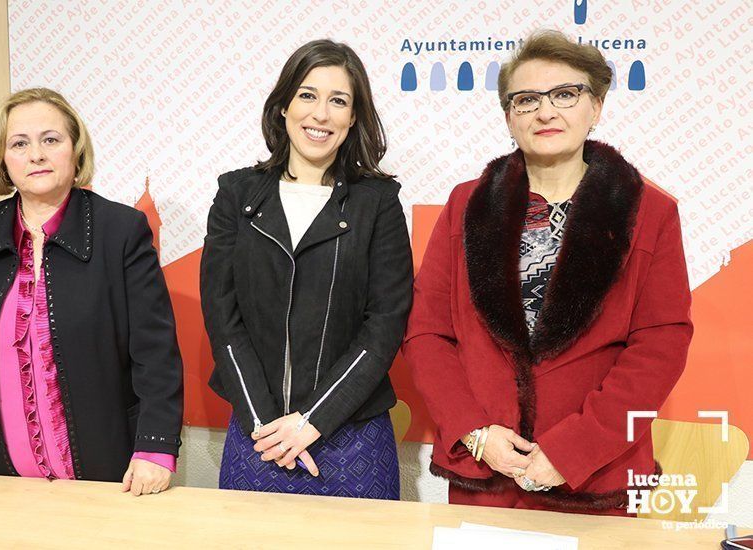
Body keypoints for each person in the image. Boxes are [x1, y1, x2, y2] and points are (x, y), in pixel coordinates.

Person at [403, 30, 693, 515]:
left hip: (599, 477)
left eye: (565, 94)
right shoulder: (465, 205)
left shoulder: (650, 212)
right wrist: (475, 432)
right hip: (487, 476)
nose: (545, 111)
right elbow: (428, 333)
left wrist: (573, 449)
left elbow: (660, 347)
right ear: (508, 115)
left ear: (595, 106)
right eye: (527, 99)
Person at [0, 88, 183, 496]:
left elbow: (155, 351)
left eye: (50, 140)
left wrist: (155, 448)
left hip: (109, 470)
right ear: (3, 159)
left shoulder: (121, 231)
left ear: (75, 150)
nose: (35, 154)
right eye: (19, 143)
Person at [201, 39, 412, 499]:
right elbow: (223, 318)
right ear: (283, 106)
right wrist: (265, 424)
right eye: (308, 95)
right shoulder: (237, 194)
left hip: (352, 436)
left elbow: (385, 324)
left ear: (353, 116)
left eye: (338, 100)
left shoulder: (378, 202)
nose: (321, 114)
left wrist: (314, 420)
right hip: (261, 433)